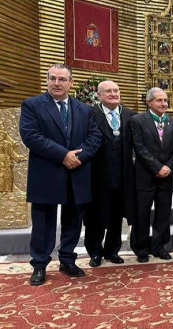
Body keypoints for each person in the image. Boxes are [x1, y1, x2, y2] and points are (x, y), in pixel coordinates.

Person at [19, 64, 101, 285]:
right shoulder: (32, 105)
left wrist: (78, 158)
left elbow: (94, 137)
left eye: (62, 79)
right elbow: (31, 136)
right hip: (47, 172)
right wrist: (63, 155)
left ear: (70, 83)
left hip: (77, 172)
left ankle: (67, 259)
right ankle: (39, 264)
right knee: (43, 222)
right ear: (47, 80)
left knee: (73, 220)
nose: (57, 83)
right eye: (53, 78)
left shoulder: (84, 109)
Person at [84, 80, 137, 267]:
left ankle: (112, 250)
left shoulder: (131, 115)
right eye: (108, 91)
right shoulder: (89, 114)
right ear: (99, 95)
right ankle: (95, 252)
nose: (113, 93)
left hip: (122, 177)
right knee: (95, 217)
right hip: (96, 177)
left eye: (116, 90)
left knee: (117, 216)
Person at [130, 87, 173, 262]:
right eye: (159, 100)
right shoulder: (137, 120)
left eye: (165, 100)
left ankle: (159, 246)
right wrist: (157, 167)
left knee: (163, 214)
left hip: (166, 177)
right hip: (145, 176)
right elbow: (139, 148)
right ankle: (141, 248)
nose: (164, 104)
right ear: (149, 102)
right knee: (142, 214)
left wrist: (168, 167)